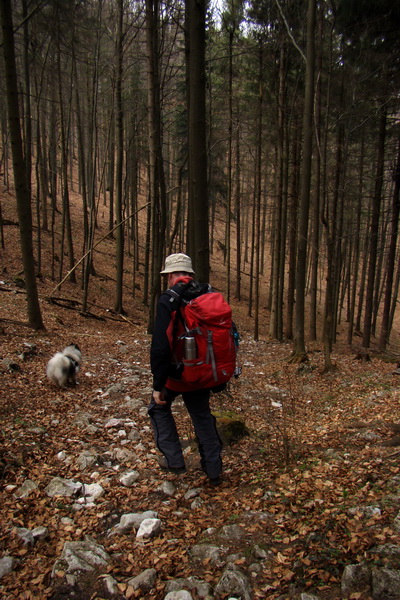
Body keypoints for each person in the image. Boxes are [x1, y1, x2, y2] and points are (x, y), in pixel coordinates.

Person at [148, 253, 222, 486]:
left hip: (177, 375)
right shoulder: (209, 294)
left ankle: (174, 461)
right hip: (203, 372)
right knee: (202, 417)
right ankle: (214, 471)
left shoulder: (168, 300)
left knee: (158, 408)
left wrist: (158, 385)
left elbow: (161, 346)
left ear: (171, 275)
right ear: (189, 274)